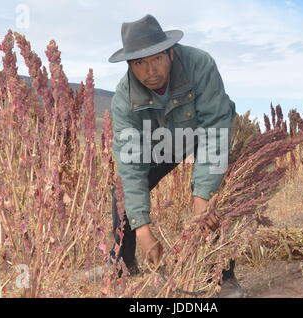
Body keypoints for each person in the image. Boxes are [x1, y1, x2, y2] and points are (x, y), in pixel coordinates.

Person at [105, 14, 243, 298]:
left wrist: (203, 195)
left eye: (156, 58)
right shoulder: (124, 98)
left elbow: (214, 129)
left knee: (216, 199)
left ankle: (223, 276)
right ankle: (122, 267)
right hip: (163, 140)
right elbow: (131, 167)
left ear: (170, 52)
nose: (150, 70)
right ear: (130, 65)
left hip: (206, 129)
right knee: (120, 194)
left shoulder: (199, 64)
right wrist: (143, 228)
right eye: (139, 63)